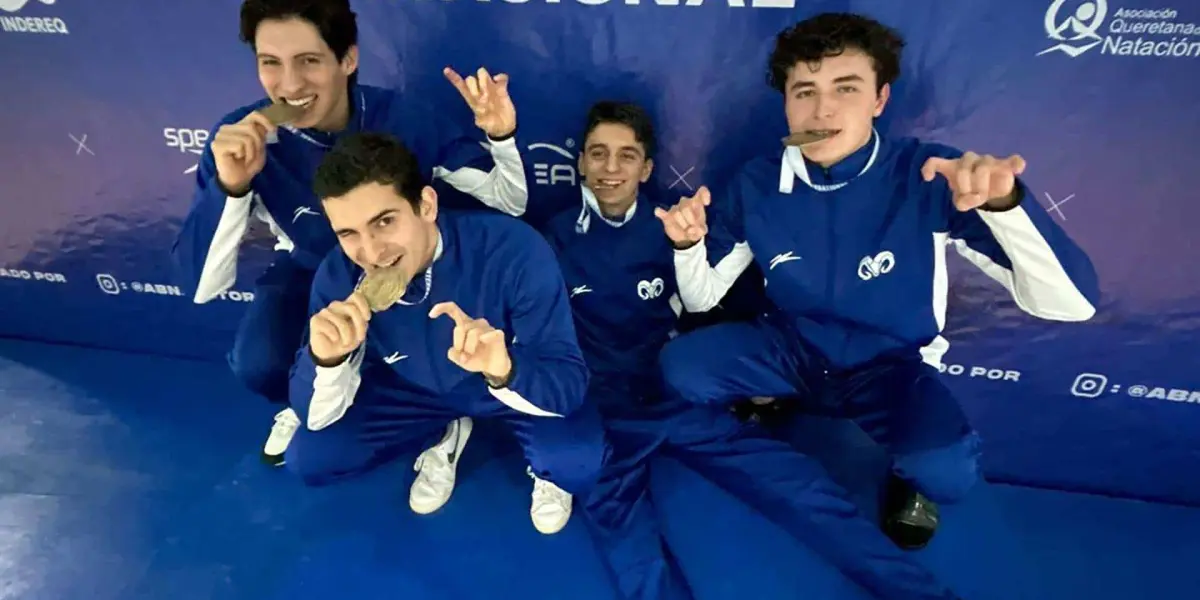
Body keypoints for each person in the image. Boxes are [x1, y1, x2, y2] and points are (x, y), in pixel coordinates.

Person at [435, 100, 963, 599]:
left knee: (801, 489)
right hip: (599, 408)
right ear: (579, 163)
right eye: (598, 153)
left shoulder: (678, 225)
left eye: (627, 155)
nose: (611, 168)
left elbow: (712, 303)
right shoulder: (550, 239)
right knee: (632, 552)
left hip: (676, 397)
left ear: (646, 168)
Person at [654, 12, 1100, 550]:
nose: (823, 109)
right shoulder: (756, 181)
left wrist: (1006, 206)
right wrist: (686, 245)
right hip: (793, 347)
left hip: (887, 364)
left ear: (880, 100)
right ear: (787, 104)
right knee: (684, 366)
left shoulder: (932, 175)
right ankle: (776, 398)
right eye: (805, 91)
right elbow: (702, 296)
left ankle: (908, 478)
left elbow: (1072, 305)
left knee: (946, 472)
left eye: (846, 88)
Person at [169, 0, 527, 467]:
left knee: (432, 356)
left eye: (309, 61)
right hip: (311, 271)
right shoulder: (243, 137)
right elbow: (199, 287)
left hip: (404, 273)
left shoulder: (403, 120)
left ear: (348, 60)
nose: (290, 84)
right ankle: (311, 399)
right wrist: (232, 186)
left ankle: (425, 414)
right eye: (270, 63)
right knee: (256, 362)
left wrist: (501, 138)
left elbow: (509, 203)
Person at [288, 131, 600, 538]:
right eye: (348, 233)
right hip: (413, 392)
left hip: (501, 387)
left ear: (427, 205)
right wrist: (325, 361)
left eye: (384, 222)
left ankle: (536, 461)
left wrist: (505, 368)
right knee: (310, 459)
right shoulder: (338, 275)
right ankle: (443, 432)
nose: (371, 251)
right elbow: (309, 413)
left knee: (576, 463)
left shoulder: (514, 249)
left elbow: (569, 384)